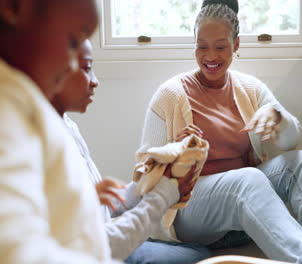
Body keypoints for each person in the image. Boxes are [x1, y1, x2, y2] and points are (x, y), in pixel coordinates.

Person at [137, 0, 302, 263]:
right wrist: (173, 154)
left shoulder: (250, 89)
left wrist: (278, 118)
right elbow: (143, 177)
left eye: (220, 47)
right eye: (202, 47)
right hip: (190, 211)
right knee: (248, 179)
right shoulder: (170, 95)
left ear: (236, 45)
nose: (210, 56)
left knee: (300, 162)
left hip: (242, 212)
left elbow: (291, 140)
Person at [50, 39, 212, 263]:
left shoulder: (66, 125)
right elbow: (105, 245)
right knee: (200, 257)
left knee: (199, 250)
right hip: (100, 251)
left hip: (103, 237)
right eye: (87, 68)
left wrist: (157, 178)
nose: (95, 81)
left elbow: (105, 209)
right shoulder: (43, 148)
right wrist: (165, 193)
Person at [0, 0, 121, 263]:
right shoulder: (7, 107)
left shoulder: (28, 103)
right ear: (12, 7)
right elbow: (15, 251)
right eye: (73, 43)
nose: (71, 66)